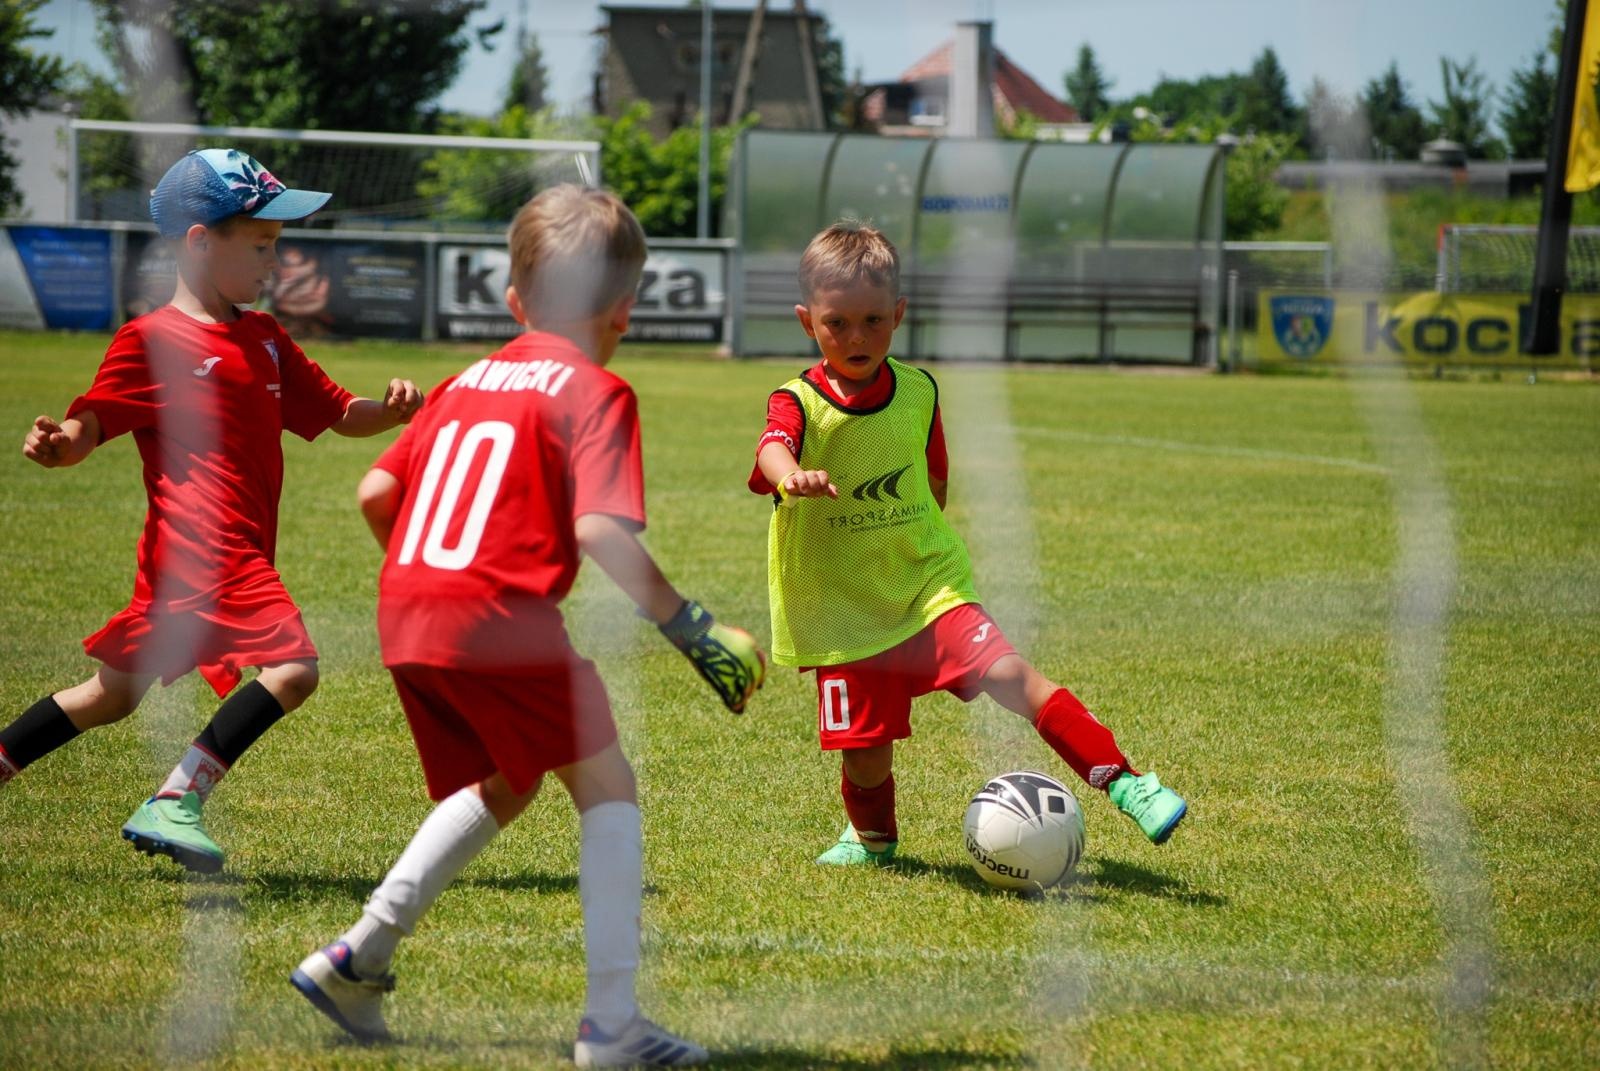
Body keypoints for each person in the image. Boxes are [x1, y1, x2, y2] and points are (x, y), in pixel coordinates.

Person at [291, 185, 764, 1067]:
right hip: (496, 615)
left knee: (512, 779)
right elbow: (596, 530)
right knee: (609, 785)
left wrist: (430, 579)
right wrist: (691, 627)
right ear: (625, 311)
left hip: (407, 610)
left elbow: (375, 492)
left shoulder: (466, 379)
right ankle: (613, 1027)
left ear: (513, 303)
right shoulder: (599, 390)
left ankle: (359, 957)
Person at [2, 148, 424, 874]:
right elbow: (92, 425)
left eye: (277, 246)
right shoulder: (151, 341)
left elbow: (334, 412)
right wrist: (59, 445)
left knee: (112, 695)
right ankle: (175, 800)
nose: (275, 262)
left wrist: (387, 413)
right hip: (207, 549)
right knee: (293, 669)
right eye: (260, 245)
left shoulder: (264, 338)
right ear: (199, 242)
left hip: (187, 561)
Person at [748, 221, 1187, 868]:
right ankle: (872, 839)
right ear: (806, 321)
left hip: (928, 583)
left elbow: (934, 477)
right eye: (837, 323)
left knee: (1012, 674)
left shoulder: (920, 388)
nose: (857, 337)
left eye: (873, 319)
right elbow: (771, 448)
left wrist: (916, 539)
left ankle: (1126, 781)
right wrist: (795, 478)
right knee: (865, 755)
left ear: (898, 314)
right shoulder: (798, 399)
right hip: (843, 605)